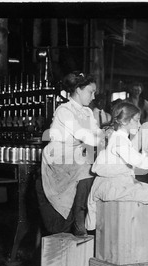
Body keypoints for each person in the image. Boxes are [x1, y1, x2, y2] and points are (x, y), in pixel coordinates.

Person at [87, 102, 148, 266]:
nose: (139, 125)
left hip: (115, 182)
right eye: (136, 121)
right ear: (125, 121)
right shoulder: (119, 140)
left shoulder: (121, 137)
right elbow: (139, 161)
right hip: (113, 185)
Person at [40, 71, 105, 237]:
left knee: (96, 168)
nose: (93, 96)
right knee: (87, 169)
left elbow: (96, 133)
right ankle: (79, 219)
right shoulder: (64, 111)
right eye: (91, 92)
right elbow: (85, 135)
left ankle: (92, 218)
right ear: (78, 90)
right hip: (58, 158)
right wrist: (101, 137)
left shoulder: (88, 112)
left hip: (76, 156)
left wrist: (106, 135)